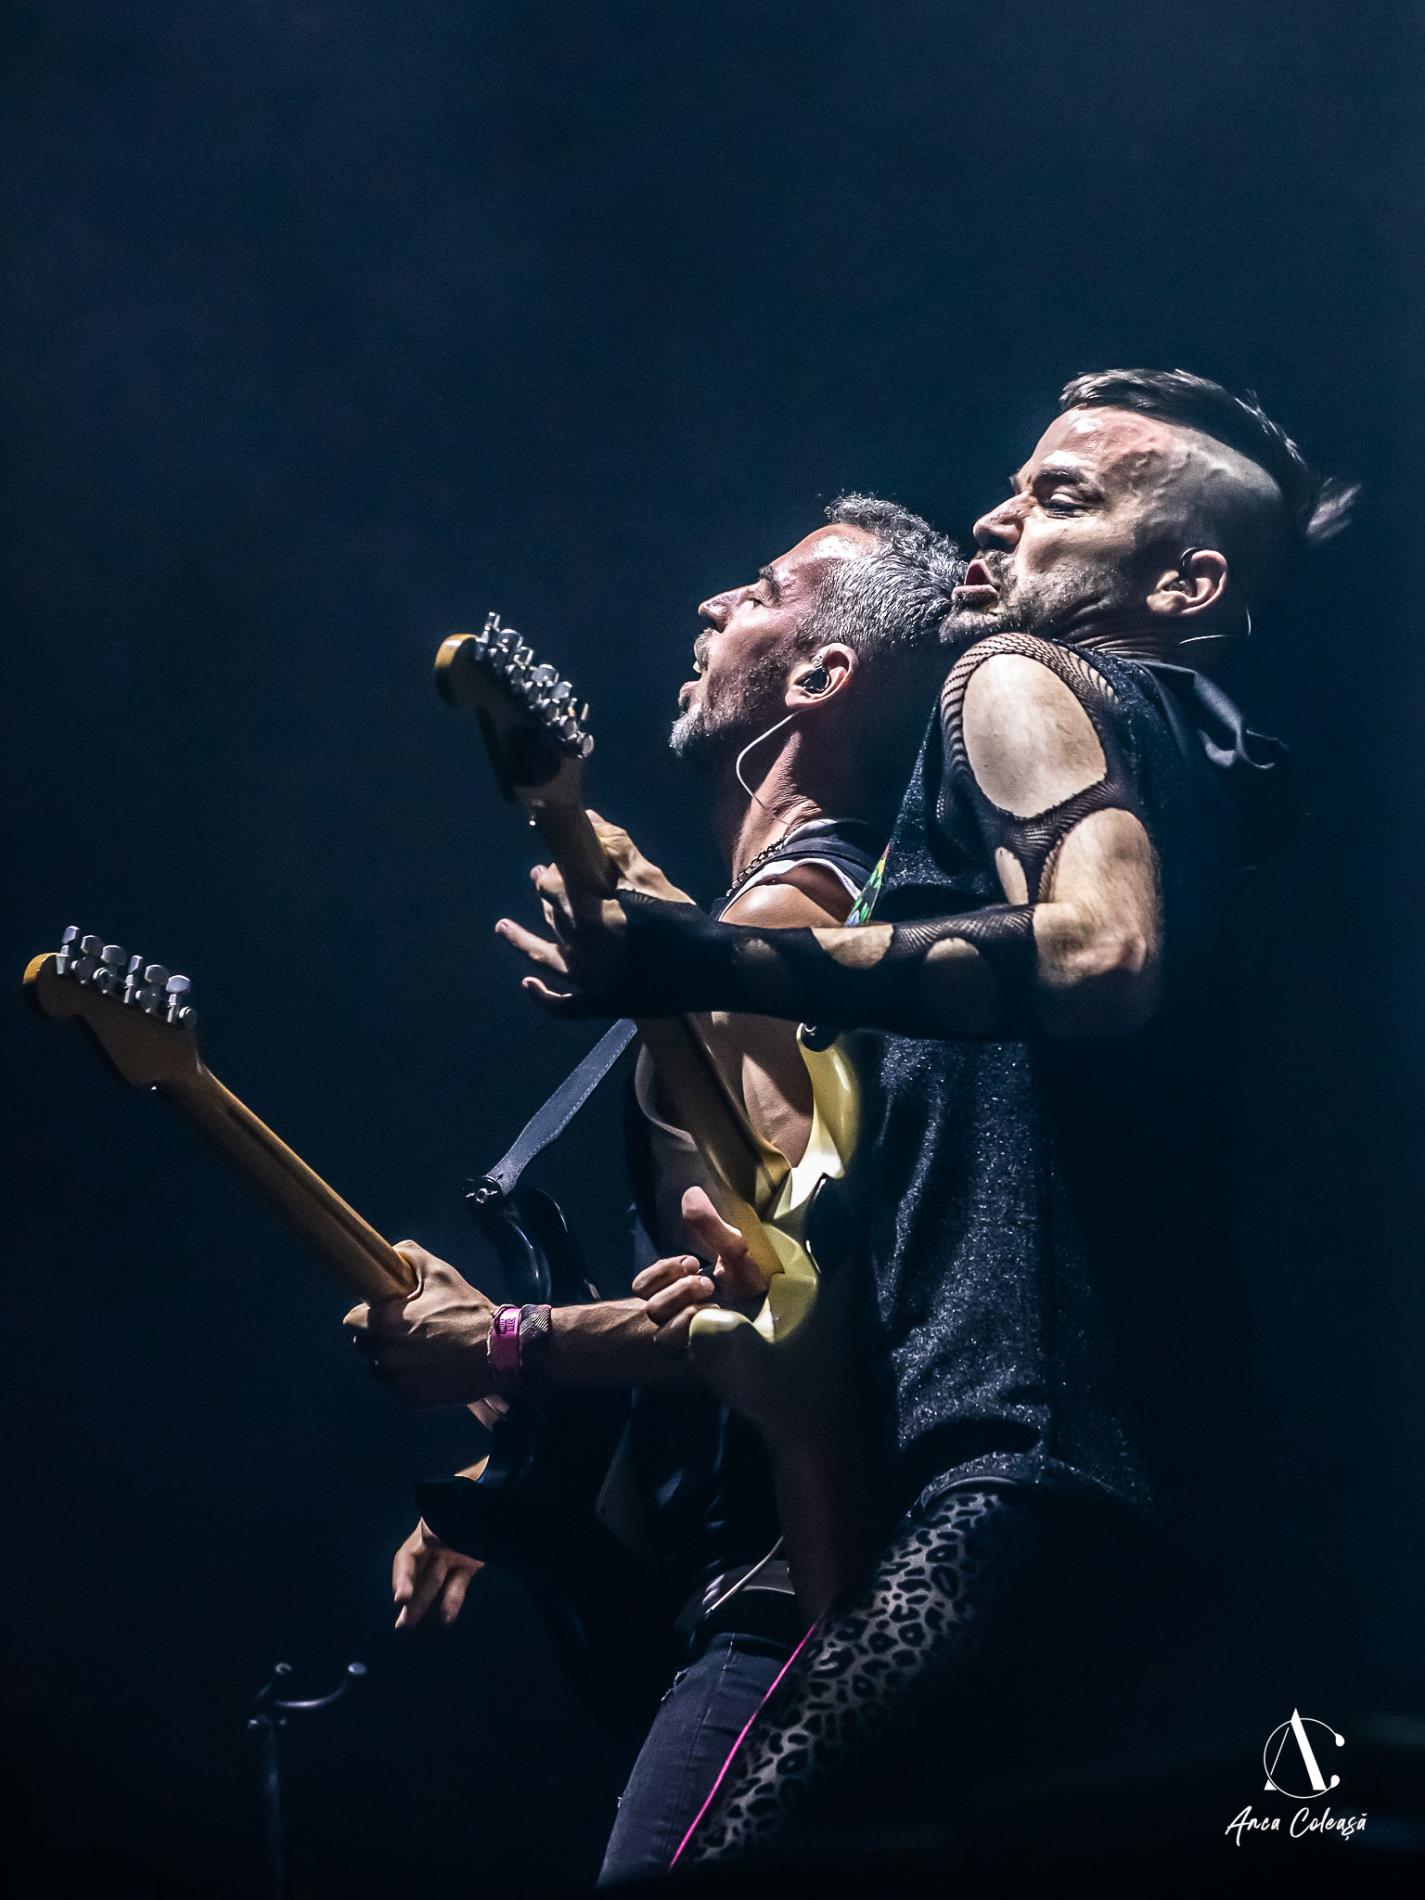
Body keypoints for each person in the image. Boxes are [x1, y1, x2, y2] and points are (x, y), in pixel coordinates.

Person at [496, 369, 1355, 1864]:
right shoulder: (1213, 778)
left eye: (1062, 499)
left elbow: (1099, 954)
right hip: (1181, 1527)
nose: (998, 520)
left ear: (1183, 583)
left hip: (1019, 1482)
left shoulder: (1016, 674)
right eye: (1014, 487)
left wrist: (693, 956)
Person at [348, 497, 963, 1881]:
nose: (711, 605)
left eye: (765, 590)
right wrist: (524, 1451)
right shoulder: (827, 915)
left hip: (803, 1594)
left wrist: (507, 1342)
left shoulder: (791, 920)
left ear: (821, 676)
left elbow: (802, 1306)